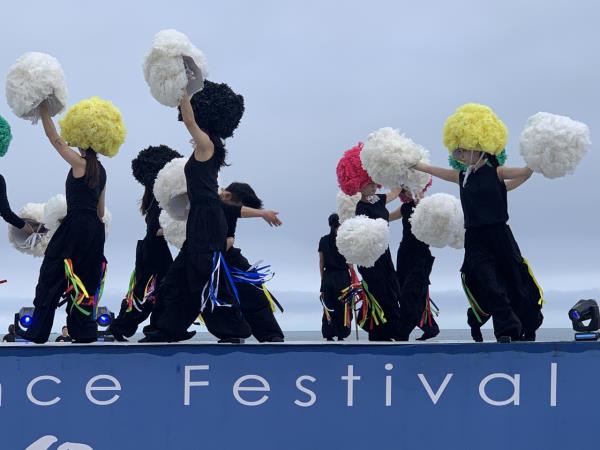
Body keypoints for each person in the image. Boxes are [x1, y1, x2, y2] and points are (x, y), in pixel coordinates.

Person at [414, 103, 544, 341]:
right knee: (485, 282)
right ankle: (506, 329)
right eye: (457, 151)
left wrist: (537, 160)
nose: (459, 155)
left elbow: (524, 173)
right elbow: (438, 170)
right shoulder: (462, 176)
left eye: (463, 150)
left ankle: (527, 325)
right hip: (475, 238)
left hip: (500, 235)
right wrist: (419, 164)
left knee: (514, 281)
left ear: (479, 147)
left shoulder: (498, 172)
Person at [143, 82, 252, 343]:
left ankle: (231, 329)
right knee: (179, 274)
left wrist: (183, 90)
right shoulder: (204, 149)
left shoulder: (207, 145)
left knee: (203, 271)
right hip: (201, 216)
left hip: (206, 218)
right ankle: (166, 328)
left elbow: (189, 120)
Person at [19, 98, 125, 344]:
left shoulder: (79, 163)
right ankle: (83, 331)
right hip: (94, 231)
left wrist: (43, 108)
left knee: (52, 274)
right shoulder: (101, 170)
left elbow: (55, 139)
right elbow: (100, 212)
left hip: (75, 226)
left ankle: (38, 331)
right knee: (86, 280)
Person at [110, 145, 181, 341]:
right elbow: (154, 230)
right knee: (147, 291)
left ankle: (161, 328)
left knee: (162, 289)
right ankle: (123, 327)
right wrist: (176, 230)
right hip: (153, 248)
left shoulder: (153, 200)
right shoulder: (156, 202)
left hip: (153, 248)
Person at [336, 143, 407, 341]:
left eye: (374, 181)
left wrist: (400, 172)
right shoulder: (360, 207)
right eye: (369, 183)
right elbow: (362, 234)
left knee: (392, 288)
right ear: (359, 185)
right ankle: (379, 331)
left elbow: (394, 193)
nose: (374, 185)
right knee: (379, 290)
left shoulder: (379, 199)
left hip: (384, 253)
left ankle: (392, 329)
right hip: (371, 257)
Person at [219, 182, 284, 342]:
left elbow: (230, 235)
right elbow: (233, 210)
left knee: (253, 287)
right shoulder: (213, 202)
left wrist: (229, 240)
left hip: (226, 255)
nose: (242, 209)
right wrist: (262, 213)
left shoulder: (230, 212)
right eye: (242, 205)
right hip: (204, 257)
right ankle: (231, 333)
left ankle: (270, 335)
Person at [395, 183, 440, 341]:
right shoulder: (404, 208)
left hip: (421, 254)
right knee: (402, 292)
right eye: (404, 190)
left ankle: (402, 331)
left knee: (413, 292)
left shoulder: (426, 206)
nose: (407, 192)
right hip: (404, 254)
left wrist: (418, 197)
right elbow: (384, 216)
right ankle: (430, 327)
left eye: (410, 189)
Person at [318, 213, 352, 341]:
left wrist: (322, 278)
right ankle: (341, 334)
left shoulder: (323, 240)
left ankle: (329, 333)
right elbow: (350, 261)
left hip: (328, 275)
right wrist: (353, 275)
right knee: (342, 305)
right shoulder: (345, 240)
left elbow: (321, 261)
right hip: (342, 276)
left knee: (328, 304)